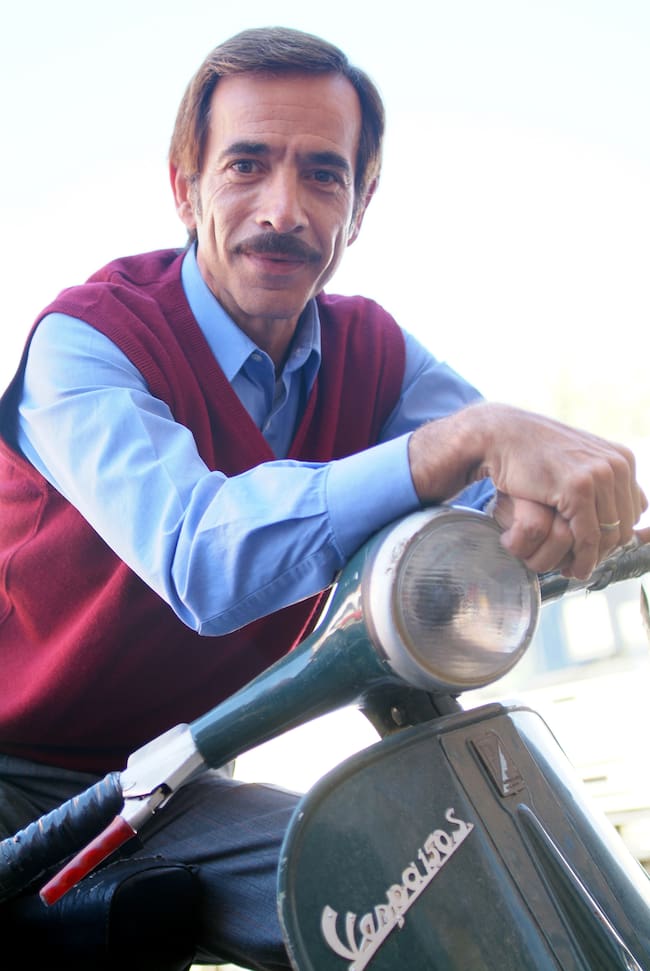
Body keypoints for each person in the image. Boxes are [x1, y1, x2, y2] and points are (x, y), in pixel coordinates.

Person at [0, 25, 647, 970]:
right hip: (12, 766)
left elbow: (496, 497)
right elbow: (200, 556)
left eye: (323, 175)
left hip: (172, 780)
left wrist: (574, 511)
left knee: (427, 894)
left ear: (361, 202)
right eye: (247, 166)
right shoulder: (89, 344)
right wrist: (466, 442)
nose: (284, 209)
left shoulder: (372, 353)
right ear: (186, 185)